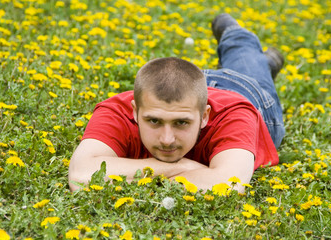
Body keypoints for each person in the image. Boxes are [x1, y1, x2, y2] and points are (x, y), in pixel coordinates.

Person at [68, 14, 285, 193]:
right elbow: (80, 175)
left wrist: (139, 173)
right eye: (154, 121)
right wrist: (182, 167)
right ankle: (265, 63)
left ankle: (236, 35)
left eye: (181, 123)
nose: (167, 139)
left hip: (240, 90)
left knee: (246, 60)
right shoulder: (116, 111)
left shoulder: (234, 115)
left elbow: (230, 186)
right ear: (134, 111)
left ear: (204, 116)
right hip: (189, 87)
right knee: (254, 65)